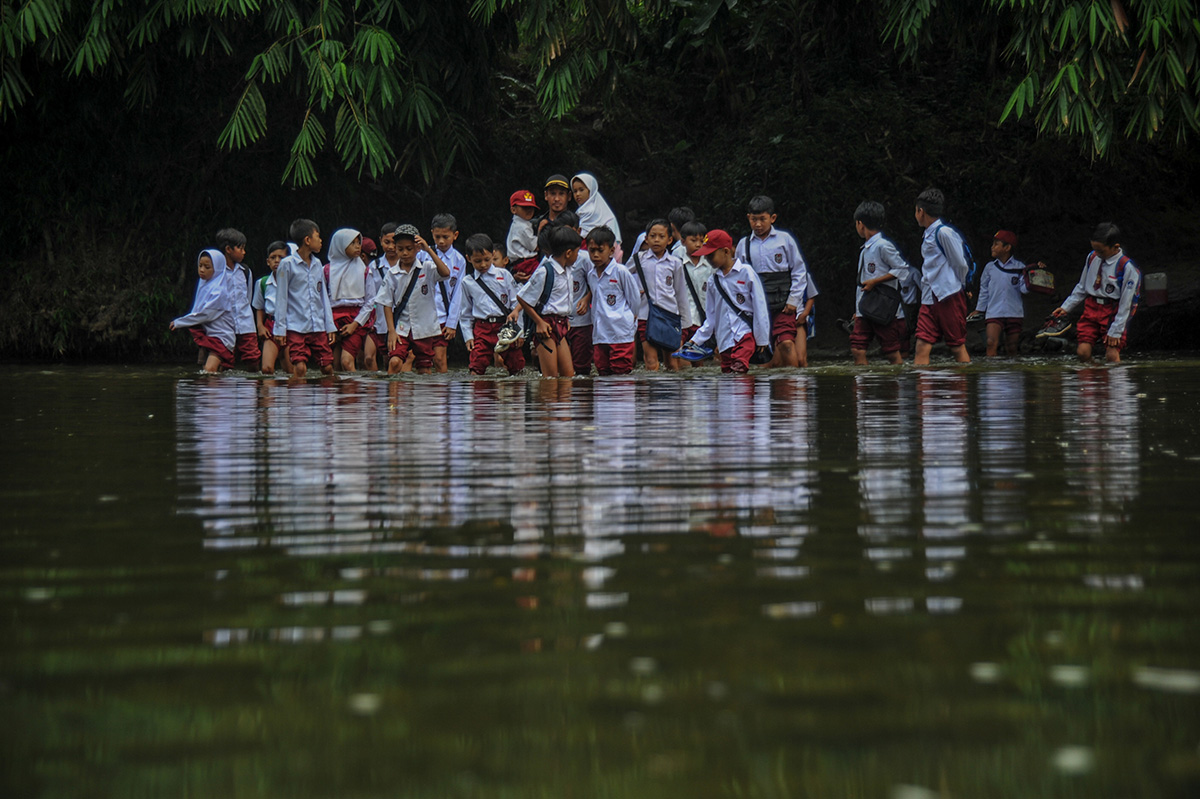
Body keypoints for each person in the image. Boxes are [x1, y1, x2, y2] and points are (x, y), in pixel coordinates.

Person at [680, 229, 770, 373]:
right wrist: (695, 341)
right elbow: (711, 318)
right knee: (728, 374)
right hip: (724, 340)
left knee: (739, 367)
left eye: (711, 255)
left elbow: (760, 306)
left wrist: (762, 339)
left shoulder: (746, 272)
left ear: (726, 251)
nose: (708, 260)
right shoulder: (712, 281)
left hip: (744, 334)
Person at [1050, 222, 1141, 364]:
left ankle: (1117, 383)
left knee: (1111, 354)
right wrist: (1066, 307)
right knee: (1082, 352)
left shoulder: (1127, 268)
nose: (1097, 254)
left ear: (1116, 247)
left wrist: (1116, 329)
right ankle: (1094, 377)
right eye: (1095, 250)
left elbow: (1126, 303)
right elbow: (1082, 286)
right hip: (1091, 308)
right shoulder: (1092, 258)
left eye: (1101, 251)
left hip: (1112, 311)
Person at [366, 224, 452, 375]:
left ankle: (421, 398)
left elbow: (445, 273)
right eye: (400, 249)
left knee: (424, 368)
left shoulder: (427, 268)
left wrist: (428, 249)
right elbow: (386, 303)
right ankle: (392, 398)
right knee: (394, 362)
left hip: (424, 327)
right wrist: (391, 331)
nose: (404, 253)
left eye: (409, 248)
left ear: (417, 248)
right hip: (401, 328)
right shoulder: (392, 273)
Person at [735, 195, 809, 368]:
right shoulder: (743, 245)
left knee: (786, 344)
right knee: (761, 352)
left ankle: (793, 386)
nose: (758, 224)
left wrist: (793, 301)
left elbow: (799, 271)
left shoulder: (785, 240)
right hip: (757, 308)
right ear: (748, 218)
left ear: (772, 218)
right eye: (754, 220)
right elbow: (738, 278)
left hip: (784, 305)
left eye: (763, 219)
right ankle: (770, 390)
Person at [912, 187, 971, 365]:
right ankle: (925, 391)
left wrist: (961, 285)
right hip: (930, 297)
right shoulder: (928, 234)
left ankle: (962, 389)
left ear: (921, 211)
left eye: (916, 210)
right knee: (922, 344)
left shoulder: (944, 233)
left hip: (948, 295)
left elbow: (960, 263)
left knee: (957, 346)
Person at [850, 201, 911, 365]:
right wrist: (858, 309)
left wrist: (875, 282)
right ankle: (863, 388)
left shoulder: (883, 246)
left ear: (860, 224)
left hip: (883, 308)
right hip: (865, 307)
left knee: (891, 352)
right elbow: (861, 284)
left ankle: (896, 385)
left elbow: (902, 269)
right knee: (857, 349)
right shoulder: (866, 249)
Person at [274, 219, 337, 378]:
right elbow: (281, 297)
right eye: (318, 236)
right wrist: (280, 329)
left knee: (328, 368)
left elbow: (323, 296)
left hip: (317, 325)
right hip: (296, 326)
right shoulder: (287, 264)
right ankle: (296, 401)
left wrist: (329, 326)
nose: (321, 240)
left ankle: (327, 402)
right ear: (307, 240)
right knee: (300, 368)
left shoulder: (317, 264)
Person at [517, 225, 580, 378]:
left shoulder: (568, 271)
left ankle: (563, 402)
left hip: (562, 325)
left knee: (568, 377)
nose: (578, 256)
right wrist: (539, 322)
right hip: (546, 327)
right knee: (550, 378)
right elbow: (522, 297)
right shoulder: (545, 271)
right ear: (568, 253)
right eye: (577, 252)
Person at [459, 233, 526, 375]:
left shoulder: (504, 275)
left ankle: (517, 395)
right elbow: (465, 313)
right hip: (482, 328)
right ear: (468, 259)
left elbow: (516, 303)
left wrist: (520, 332)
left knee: (517, 366)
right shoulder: (467, 282)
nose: (483, 264)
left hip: (505, 326)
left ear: (493, 254)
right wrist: (468, 337)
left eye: (487, 259)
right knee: (476, 366)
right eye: (477, 261)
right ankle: (478, 395)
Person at [629, 218, 691, 371]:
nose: (656, 240)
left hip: (669, 316)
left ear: (669, 240)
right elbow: (621, 276)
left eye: (661, 236)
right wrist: (634, 292)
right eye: (652, 236)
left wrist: (685, 324)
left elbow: (680, 293)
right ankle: (652, 393)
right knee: (650, 361)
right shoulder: (639, 259)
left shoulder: (675, 263)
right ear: (646, 239)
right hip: (645, 316)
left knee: (672, 363)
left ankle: (673, 394)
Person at [584, 225, 641, 376]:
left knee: (620, 371)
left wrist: (631, 319)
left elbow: (634, 298)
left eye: (600, 250)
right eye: (592, 250)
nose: (595, 255)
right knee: (602, 370)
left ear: (611, 251)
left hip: (620, 331)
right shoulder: (591, 274)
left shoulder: (621, 272)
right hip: (600, 333)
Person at [170, 249, 235, 373]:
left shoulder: (219, 291)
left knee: (209, 370)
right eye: (200, 266)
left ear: (218, 269)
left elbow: (206, 314)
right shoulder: (204, 285)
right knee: (213, 372)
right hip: (209, 334)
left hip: (221, 336)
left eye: (207, 267)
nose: (202, 270)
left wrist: (180, 322)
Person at [970, 229, 1030, 357]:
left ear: (1007, 247)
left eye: (996, 244)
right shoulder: (989, 268)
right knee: (991, 342)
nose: (992, 247)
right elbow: (984, 290)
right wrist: (980, 309)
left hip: (1014, 312)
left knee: (1012, 346)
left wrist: (1035, 275)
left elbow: (1024, 289)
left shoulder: (1020, 267)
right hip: (994, 311)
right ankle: (992, 374)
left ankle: (1012, 374)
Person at [419, 213, 466, 373]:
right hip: (423, 316)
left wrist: (452, 323)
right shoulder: (421, 255)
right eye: (437, 236)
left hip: (443, 317)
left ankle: (443, 395)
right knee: (420, 358)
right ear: (431, 233)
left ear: (455, 235)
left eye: (445, 237)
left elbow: (458, 293)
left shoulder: (459, 260)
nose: (441, 241)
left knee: (439, 358)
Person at [325, 227, 373, 372]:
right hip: (332, 319)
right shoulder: (326, 270)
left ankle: (354, 393)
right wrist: (329, 325)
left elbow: (371, 301)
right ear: (340, 245)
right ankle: (339, 394)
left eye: (359, 243)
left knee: (347, 361)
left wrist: (355, 324)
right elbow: (322, 300)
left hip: (355, 318)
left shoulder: (364, 270)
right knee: (336, 364)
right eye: (352, 243)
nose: (358, 246)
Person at [554, 210, 595, 375]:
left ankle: (582, 397)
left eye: (569, 232)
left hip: (581, 320)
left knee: (581, 367)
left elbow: (596, 283)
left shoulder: (585, 258)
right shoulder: (550, 261)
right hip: (559, 320)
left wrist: (587, 299)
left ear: (578, 232)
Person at [217, 227, 260, 371]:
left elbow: (248, 298)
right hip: (224, 324)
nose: (244, 252)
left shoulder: (245, 272)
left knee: (253, 360)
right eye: (240, 248)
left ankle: (251, 390)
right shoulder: (216, 272)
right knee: (225, 362)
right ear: (228, 249)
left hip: (246, 323)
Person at [674, 220, 715, 368]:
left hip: (701, 319)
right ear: (683, 242)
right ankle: (684, 387)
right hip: (682, 318)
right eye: (693, 240)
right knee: (682, 353)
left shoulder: (710, 264)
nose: (698, 244)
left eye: (701, 240)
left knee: (699, 357)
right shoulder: (676, 262)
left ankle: (699, 387)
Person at [362, 223, 399, 372]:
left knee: (391, 360)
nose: (391, 247)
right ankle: (375, 391)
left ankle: (391, 392)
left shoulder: (406, 265)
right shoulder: (374, 266)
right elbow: (370, 296)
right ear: (380, 241)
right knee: (369, 358)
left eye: (394, 242)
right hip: (378, 320)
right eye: (387, 242)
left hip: (399, 320)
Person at [251, 240, 292, 374]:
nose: (277, 261)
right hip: (271, 326)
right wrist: (260, 326)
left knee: (291, 371)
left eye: (281, 257)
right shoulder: (262, 283)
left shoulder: (294, 282)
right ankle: (269, 394)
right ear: (267, 261)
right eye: (273, 257)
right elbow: (259, 307)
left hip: (290, 327)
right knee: (267, 369)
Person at [571, 172, 622, 258]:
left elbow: (613, 243)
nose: (578, 194)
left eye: (581, 190)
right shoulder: (578, 214)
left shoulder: (606, 216)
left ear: (591, 190)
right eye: (575, 191)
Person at [506, 190, 541, 283]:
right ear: (514, 210)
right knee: (544, 277)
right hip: (527, 263)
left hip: (520, 263)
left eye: (531, 207)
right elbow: (535, 247)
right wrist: (541, 230)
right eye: (525, 207)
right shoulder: (522, 227)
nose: (529, 210)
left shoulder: (518, 224)